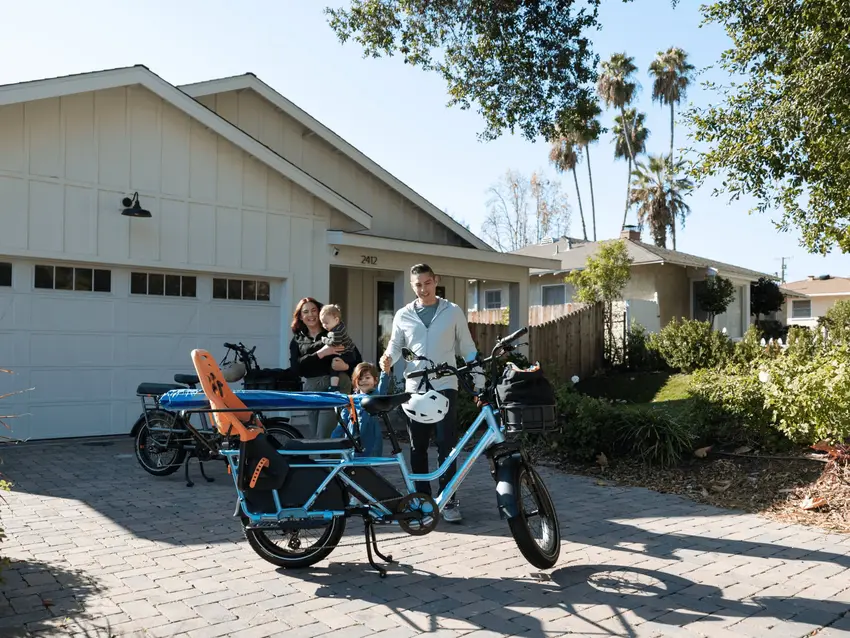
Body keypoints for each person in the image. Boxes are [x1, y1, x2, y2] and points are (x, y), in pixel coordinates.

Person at [380, 263, 481, 523]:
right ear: (412, 286)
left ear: (436, 281)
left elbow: (467, 347)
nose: (422, 289)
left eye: (427, 283)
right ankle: (421, 499)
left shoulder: (452, 311)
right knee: (418, 447)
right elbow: (395, 344)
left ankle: (448, 501)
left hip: (445, 385)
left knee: (447, 446)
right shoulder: (403, 314)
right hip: (415, 389)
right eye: (417, 285)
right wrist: (387, 358)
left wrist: (478, 378)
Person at [289, 297, 362, 438]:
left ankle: (331, 458)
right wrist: (321, 353)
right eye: (305, 312)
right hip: (311, 388)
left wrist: (346, 366)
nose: (310, 315)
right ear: (300, 317)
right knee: (316, 432)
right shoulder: (298, 340)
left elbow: (356, 360)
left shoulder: (334, 333)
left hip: (335, 385)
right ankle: (328, 459)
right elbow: (296, 369)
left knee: (325, 434)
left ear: (320, 312)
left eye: (314, 310)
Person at [331, 362, 390, 458]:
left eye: (367, 378)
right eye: (360, 378)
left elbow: (383, 388)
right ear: (355, 381)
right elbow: (342, 423)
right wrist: (333, 440)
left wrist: (385, 371)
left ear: (375, 380)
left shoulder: (376, 397)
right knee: (352, 467)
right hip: (353, 441)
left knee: (370, 468)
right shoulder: (350, 400)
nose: (364, 381)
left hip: (371, 441)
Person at [319, 303, 357, 391]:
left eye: (326, 323)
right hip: (350, 351)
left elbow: (334, 342)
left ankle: (334, 387)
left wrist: (324, 339)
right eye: (322, 323)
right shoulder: (340, 325)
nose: (324, 325)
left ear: (336, 320)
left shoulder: (336, 332)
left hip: (348, 353)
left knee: (334, 366)